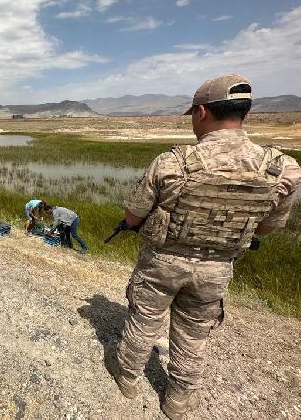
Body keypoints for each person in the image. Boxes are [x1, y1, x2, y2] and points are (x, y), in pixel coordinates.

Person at [113, 74, 301, 419]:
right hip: (217, 269)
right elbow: (265, 227)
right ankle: (177, 401)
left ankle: (127, 378)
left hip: (161, 263)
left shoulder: (171, 162)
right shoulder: (282, 169)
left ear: (201, 112)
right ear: (245, 113)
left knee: (145, 320)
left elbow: (133, 215)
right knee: (193, 335)